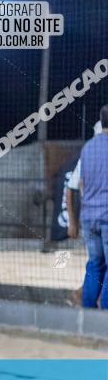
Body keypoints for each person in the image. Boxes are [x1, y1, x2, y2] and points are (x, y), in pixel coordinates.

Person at [77, 106, 108, 309]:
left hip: (88, 216)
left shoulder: (88, 147)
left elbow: (81, 184)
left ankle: (87, 315)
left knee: (95, 264)